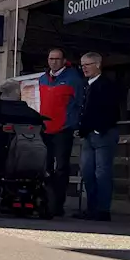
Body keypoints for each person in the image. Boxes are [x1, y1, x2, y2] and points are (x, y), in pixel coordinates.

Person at [38, 47, 85, 215]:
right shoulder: (42, 79)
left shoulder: (74, 79)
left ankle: (58, 204)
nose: (53, 62)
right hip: (45, 129)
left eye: (57, 59)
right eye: (51, 59)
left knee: (62, 168)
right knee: (45, 167)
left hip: (63, 130)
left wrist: (76, 125)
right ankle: (46, 201)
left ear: (64, 60)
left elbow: (81, 103)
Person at [76, 52, 121, 221]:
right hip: (88, 135)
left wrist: (97, 129)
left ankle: (103, 210)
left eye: (87, 64)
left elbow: (112, 110)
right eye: (82, 65)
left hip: (103, 134)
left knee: (102, 172)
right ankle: (92, 208)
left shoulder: (107, 84)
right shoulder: (86, 85)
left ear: (98, 64)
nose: (84, 68)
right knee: (87, 172)